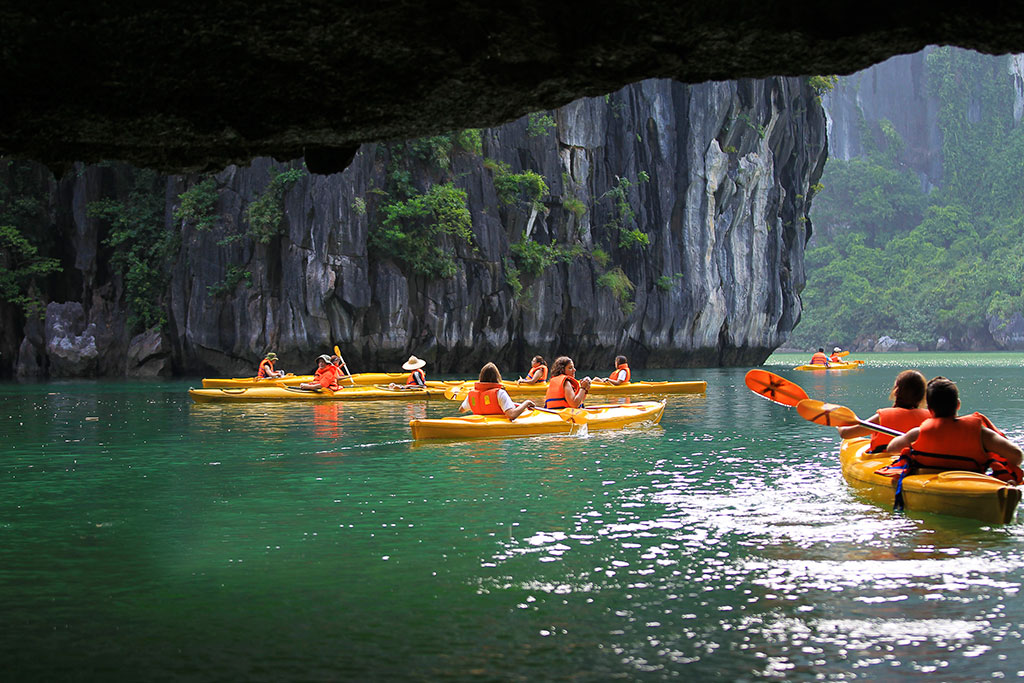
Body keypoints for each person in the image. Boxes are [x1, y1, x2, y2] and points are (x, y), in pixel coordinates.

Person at [884, 376, 1023, 483]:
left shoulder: (918, 433)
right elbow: (1017, 456)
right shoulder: (981, 434)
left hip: (930, 481)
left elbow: (892, 448)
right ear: (958, 405)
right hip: (972, 482)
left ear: (930, 410)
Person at [837, 370, 931, 452]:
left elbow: (846, 434)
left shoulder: (883, 417)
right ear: (923, 395)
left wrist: (840, 422)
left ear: (896, 392)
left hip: (882, 461)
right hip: (916, 462)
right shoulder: (930, 418)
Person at [460, 362, 535, 420]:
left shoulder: (471, 394)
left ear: (481, 376)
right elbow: (512, 415)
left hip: (480, 423)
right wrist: (526, 403)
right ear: (497, 376)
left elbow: (462, 410)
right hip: (495, 425)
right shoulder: (500, 393)